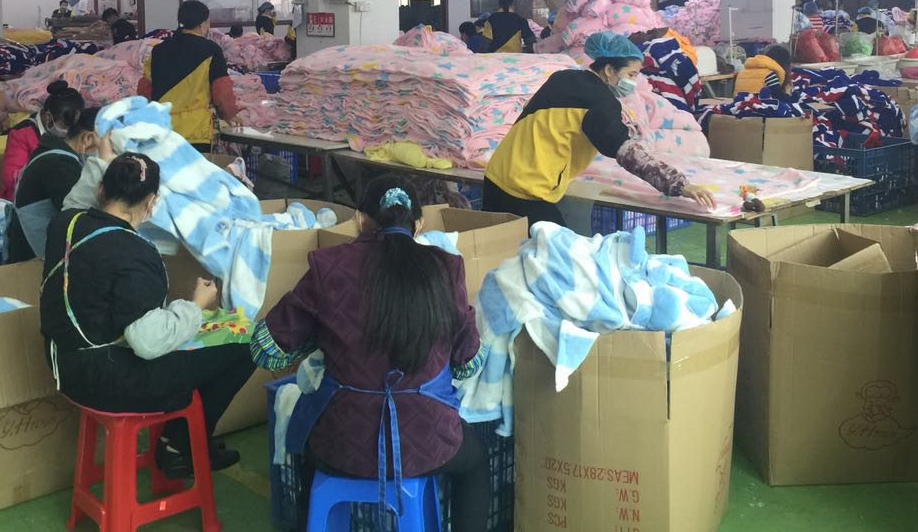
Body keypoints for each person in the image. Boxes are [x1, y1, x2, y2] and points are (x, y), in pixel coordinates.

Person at [251, 175, 489, 532]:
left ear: (360, 219)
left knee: (308, 454)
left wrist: (318, 339)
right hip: (427, 441)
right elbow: (468, 364)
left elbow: (265, 350)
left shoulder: (328, 266)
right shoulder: (445, 268)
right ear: (419, 224)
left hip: (341, 442)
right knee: (475, 462)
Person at [40, 153, 254, 478]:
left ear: (100, 189)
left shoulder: (64, 224)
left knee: (205, 339)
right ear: (152, 202)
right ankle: (180, 447)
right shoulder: (135, 253)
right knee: (247, 343)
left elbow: (77, 200)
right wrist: (195, 305)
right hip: (108, 380)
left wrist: (101, 155)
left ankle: (185, 439)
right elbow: (148, 342)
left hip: (63, 366)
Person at [482, 31, 716, 227]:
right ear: (609, 70)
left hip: (496, 176)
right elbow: (628, 153)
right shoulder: (600, 102)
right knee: (553, 256)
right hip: (525, 191)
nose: (633, 82)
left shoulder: (562, 79)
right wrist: (680, 185)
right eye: (631, 74)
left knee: (499, 254)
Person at [137, 1, 240, 151]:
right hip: (194, 132)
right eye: (208, 21)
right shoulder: (211, 50)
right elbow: (222, 90)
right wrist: (229, 114)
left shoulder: (158, 50)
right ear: (202, 24)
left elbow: (144, 89)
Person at [4, 106, 100, 263]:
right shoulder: (59, 165)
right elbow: (81, 218)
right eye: (110, 146)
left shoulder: (55, 152)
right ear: (88, 138)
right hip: (32, 258)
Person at [0, 80, 84, 203]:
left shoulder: (78, 131)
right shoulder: (22, 133)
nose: (68, 132)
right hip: (22, 201)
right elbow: (10, 179)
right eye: (64, 126)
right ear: (48, 117)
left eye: (73, 127)